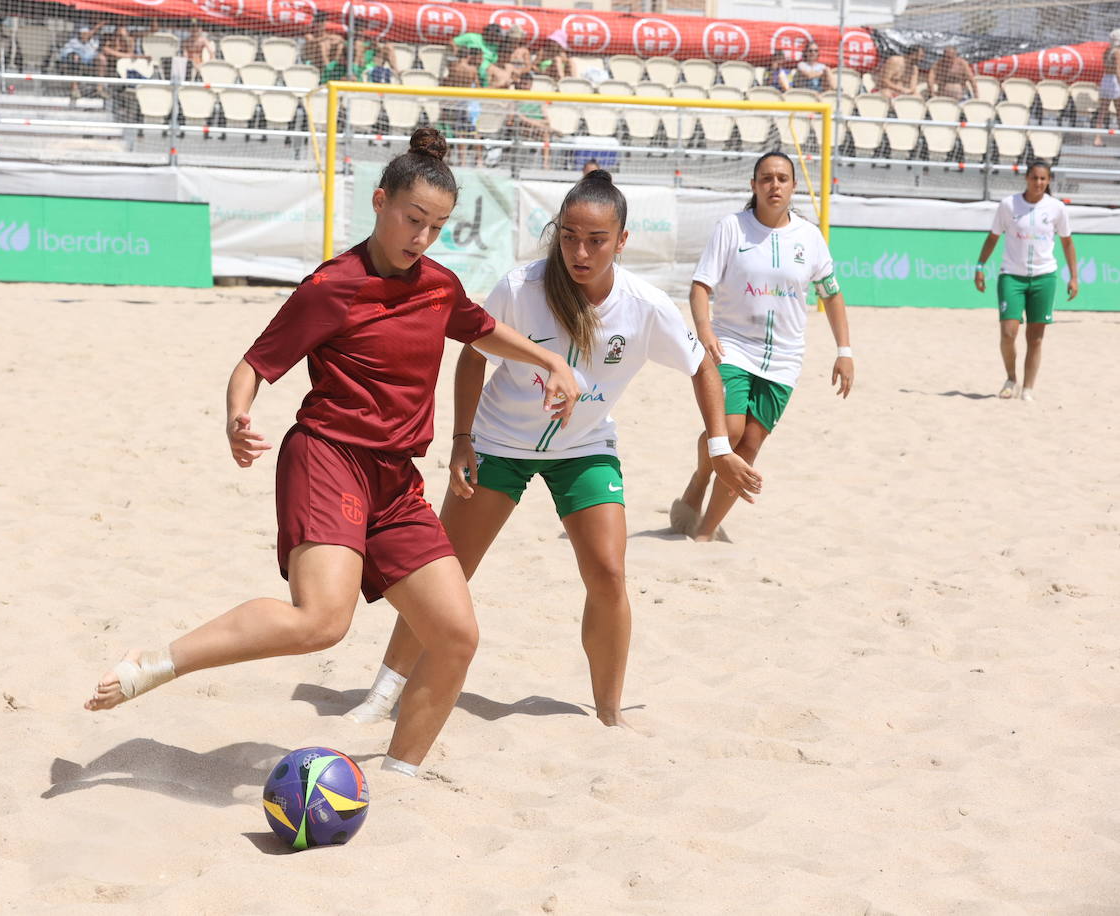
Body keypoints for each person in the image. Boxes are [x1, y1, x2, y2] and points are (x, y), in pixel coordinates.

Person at [85, 129, 581, 779]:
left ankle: (398, 781)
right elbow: (254, 366)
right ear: (379, 202)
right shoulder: (334, 286)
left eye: (436, 227)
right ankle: (153, 663)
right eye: (412, 219)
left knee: (457, 635)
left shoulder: (439, 285)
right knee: (321, 620)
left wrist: (547, 359)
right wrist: (237, 416)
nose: (422, 238)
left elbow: (483, 330)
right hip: (329, 457)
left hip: (396, 480)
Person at [344, 170, 762, 730]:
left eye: (596, 240)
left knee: (609, 574)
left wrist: (718, 446)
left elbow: (702, 364)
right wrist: (462, 439)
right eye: (568, 236)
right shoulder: (521, 288)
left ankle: (609, 715)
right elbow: (473, 356)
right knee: (446, 574)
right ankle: (381, 693)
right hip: (499, 442)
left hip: (584, 448)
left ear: (622, 240)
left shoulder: (644, 304)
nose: (580, 251)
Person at [673, 151, 854, 542]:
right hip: (732, 347)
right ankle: (700, 478)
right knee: (731, 430)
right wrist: (704, 330)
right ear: (754, 186)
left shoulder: (809, 237)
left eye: (783, 179)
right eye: (767, 178)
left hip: (785, 359)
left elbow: (833, 294)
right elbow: (701, 286)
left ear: (793, 186)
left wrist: (845, 351)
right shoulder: (732, 228)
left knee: (751, 444)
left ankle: (704, 533)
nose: (775, 185)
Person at [972, 161, 1078, 401]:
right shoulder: (1008, 205)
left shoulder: (1057, 208)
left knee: (1036, 337)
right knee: (1009, 332)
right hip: (1011, 275)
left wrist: (1074, 276)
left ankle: (1028, 389)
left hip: (1044, 277)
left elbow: (1067, 243)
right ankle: (1011, 378)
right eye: (1034, 178)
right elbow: (993, 237)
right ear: (1026, 178)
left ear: (1049, 181)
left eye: (1043, 179)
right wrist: (980, 266)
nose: (1038, 183)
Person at [57, 23, 107, 98]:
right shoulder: (73, 41)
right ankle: (75, 89)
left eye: (86, 34)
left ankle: (99, 89)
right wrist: (74, 54)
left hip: (90, 62)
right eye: (83, 34)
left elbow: (94, 52)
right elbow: (65, 53)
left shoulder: (94, 41)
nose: (84, 36)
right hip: (76, 62)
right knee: (75, 58)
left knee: (102, 59)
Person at [1093, 30, 1120, 147]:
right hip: (1115, 81)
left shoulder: (1107, 51)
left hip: (1106, 79)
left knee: (1102, 111)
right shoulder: (1118, 51)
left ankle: (1097, 138)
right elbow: (1118, 70)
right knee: (1119, 112)